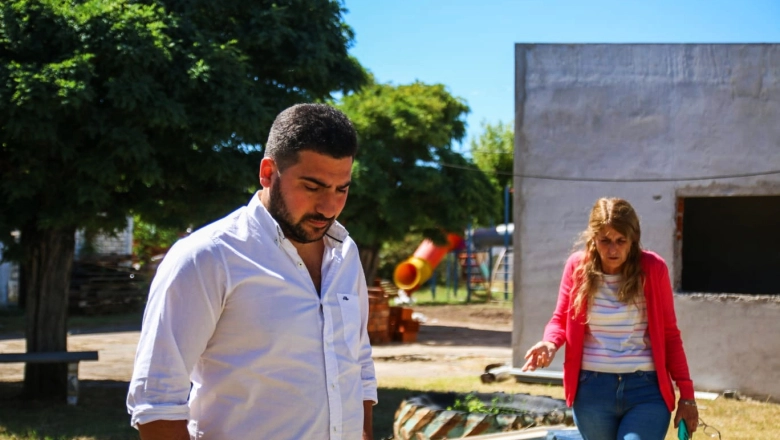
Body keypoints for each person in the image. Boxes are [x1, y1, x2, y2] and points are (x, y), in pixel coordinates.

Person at [127, 104, 377, 440]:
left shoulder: (346, 253)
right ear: (268, 172)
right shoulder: (207, 257)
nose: (329, 207)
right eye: (313, 187)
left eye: (341, 189)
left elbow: (357, 367)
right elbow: (157, 402)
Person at [522, 198, 698, 440]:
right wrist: (550, 343)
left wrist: (687, 394)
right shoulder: (577, 268)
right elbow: (560, 320)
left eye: (620, 241)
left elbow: (669, 334)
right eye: (605, 240)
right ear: (593, 238)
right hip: (592, 391)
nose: (612, 250)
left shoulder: (653, 269)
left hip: (646, 390)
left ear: (632, 239)